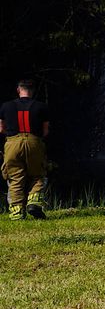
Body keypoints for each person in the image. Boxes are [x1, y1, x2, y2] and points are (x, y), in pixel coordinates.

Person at [1, 79, 51, 220]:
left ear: (18, 90)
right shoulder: (42, 107)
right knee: (37, 174)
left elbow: (1, 128)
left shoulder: (6, 106)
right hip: (34, 141)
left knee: (15, 177)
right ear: (32, 91)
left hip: (12, 143)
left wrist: (12, 138)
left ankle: (16, 212)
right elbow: (45, 131)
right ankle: (34, 202)